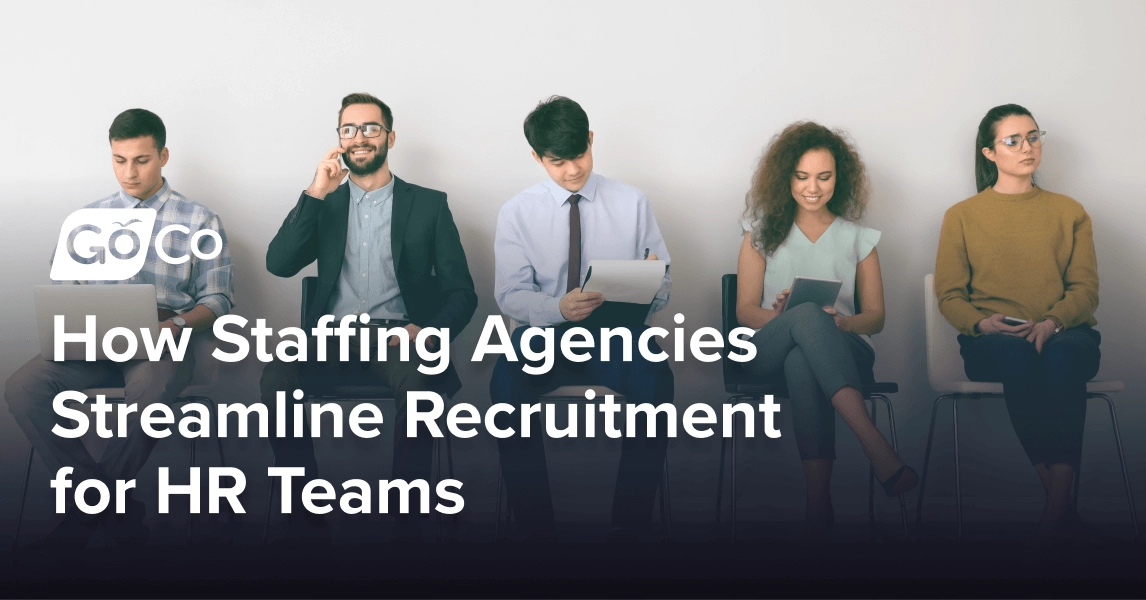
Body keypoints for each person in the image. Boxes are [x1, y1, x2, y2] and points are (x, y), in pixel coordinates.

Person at [5, 108, 234, 549]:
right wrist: (70, 321)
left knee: (151, 389)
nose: (129, 172)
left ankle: (85, 517)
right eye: (119, 159)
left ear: (163, 155)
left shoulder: (200, 220)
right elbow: (64, 290)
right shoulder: (86, 219)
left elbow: (217, 301)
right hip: (94, 339)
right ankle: (114, 511)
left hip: (161, 341)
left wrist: (177, 324)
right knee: (23, 386)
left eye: (141, 160)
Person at [262, 93, 477, 542]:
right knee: (276, 377)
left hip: (397, 338)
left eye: (370, 128)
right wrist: (316, 190)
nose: (359, 137)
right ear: (339, 141)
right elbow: (279, 263)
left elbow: (462, 293)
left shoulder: (430, 205)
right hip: (330, 338)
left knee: (420, 389)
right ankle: (305, 512)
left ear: (390, 137)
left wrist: (428, 332)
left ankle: (407, 520)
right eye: (349, 129)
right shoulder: (325, 204)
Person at [491, 96, 673, 542]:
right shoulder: (517, 212)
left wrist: (650, 284)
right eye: (558, 161)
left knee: (657, 383)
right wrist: (557, 308)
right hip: (544, 338)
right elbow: (509, 294)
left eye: (580, 154)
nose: (573, 169)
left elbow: (665, 284)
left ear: (591, 140)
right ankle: (535, 529)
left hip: (617, 337)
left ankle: (629, 526)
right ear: (537, 157)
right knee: (505, 387)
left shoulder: (632, 202)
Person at [736, 121, 916, 542]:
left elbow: (875, 318)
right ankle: (876, 447)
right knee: (803, 322)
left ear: (840, 178)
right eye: (801, 176)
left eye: (823, 176)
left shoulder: (860, 239)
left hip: (845, 347)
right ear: (786, 177)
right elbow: (745, 312)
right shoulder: (759, 234)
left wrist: (839, 323)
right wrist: (789, 318)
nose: (812, 187)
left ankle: (817, 505)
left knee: (807, 354)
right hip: (768, 348)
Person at [935, 104, 1099, 541]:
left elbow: (1085, 291)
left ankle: (1052, 514)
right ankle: (1060, 508)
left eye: (1033, 136)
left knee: (1063, 359)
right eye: (1013, 140)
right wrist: (981, 324)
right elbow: (950, 295)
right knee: (1019, 358)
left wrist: (1053, 322)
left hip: (1064, 332)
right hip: (994, 340)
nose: (1027, 147)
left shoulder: (1070, 211)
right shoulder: (962, 216)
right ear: (990, 153)